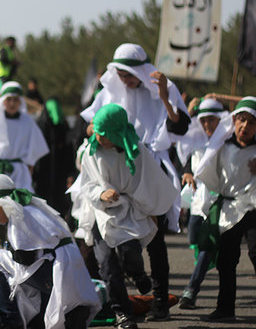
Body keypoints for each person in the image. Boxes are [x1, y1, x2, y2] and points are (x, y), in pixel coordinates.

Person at [81, 43, 190, 321]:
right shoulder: (108, 92)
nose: (127, 80)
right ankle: (108, 301)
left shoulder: (161, 89)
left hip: (148, 168)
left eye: (131, 74)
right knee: (97, 236)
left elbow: (180, 126)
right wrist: (97, 129)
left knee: (155, 240)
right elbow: (90, 125)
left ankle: (160, 300)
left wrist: (165, 97)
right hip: (109, 168)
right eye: (121, 74)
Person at [79, 104, 177, 329]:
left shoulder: (137, 151)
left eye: (103, 133)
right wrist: (101, 194)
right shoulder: (90, 152)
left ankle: (139, 275)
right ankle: (122, 314)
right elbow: (86, 185)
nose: (98, 137)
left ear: (116, 133)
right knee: (107, 264)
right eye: (98, 132)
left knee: (130, 253)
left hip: (130, 210)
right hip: (101, 214)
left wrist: (151, 211)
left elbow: (151, 182)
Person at [194, 96, 256, 321]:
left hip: (251, 209)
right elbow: (206, 168)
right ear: (234, 121)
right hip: (228, 211)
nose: (245, 126)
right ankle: (225, 308)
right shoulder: (222, 148)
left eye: (251, 122)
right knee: (227, 259)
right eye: (241, 120)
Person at [0, 174, 101, 328]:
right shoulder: (32, 207)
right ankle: (49, 315)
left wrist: (8, 250)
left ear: (0, 203)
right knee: (22, 270)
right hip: (67, 269)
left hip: (56, 272)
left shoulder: (19, 214)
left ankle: (9, 320)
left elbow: (24, 257)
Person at [175, 98, 227, 309]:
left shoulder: (227, 140)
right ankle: (207, 261)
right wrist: (186, 171)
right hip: (197, 201)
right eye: (203, 120)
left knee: (207, 245)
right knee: (194, 237)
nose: (207, 125)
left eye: (212, 120)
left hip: (217, 201)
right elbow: (186, 154)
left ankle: (191, 290)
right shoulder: (197, 139)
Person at [0, 81, 49, 192]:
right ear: (3, 101)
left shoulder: (27, 122)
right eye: (9, 99)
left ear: (20, 101)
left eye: (15, 99)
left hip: (20, 174)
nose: (12, 103)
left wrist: (29, 167)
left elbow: (35, 148)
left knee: (21, 206)